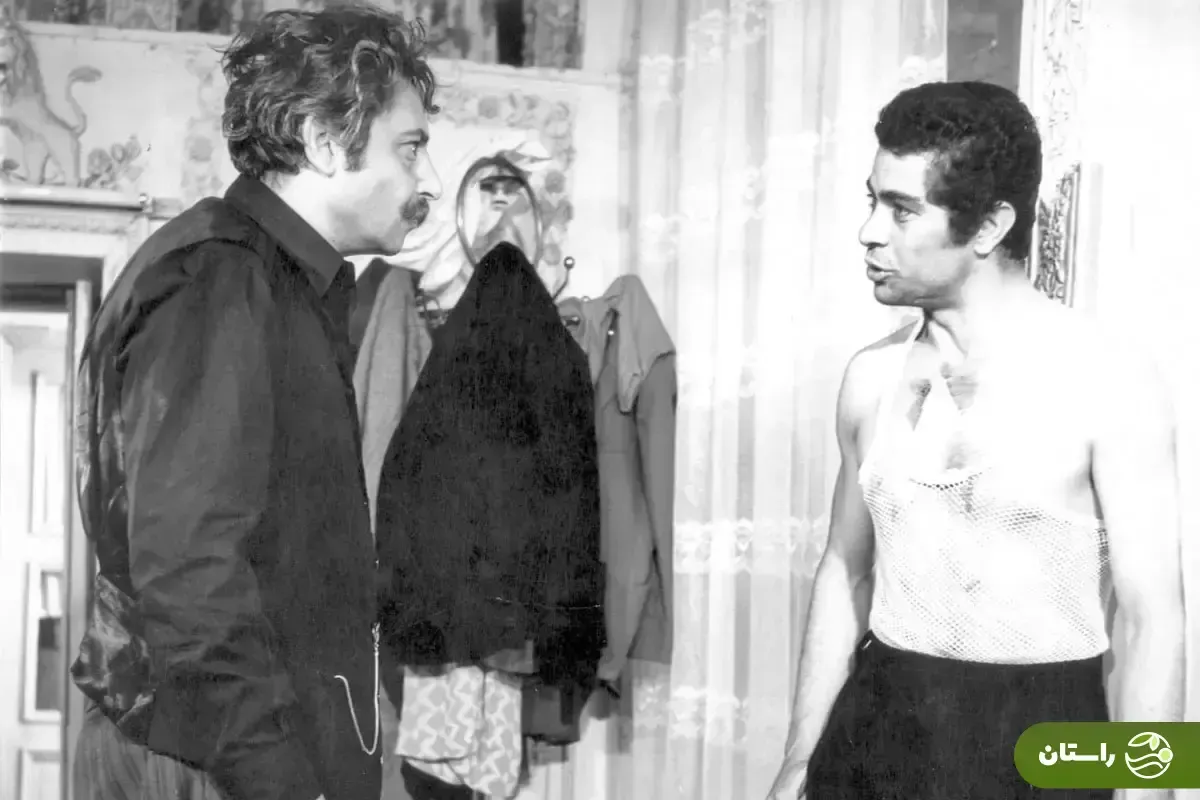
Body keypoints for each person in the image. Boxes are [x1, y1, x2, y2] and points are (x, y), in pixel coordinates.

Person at [767, 81, 1184, 800]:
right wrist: (798, 760)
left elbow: (1156, 622)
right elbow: (845, 570)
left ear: (989, 227)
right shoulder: (870, 378)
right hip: (874, 738)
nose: (869, 231)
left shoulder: (1110, 378)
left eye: (901, 209)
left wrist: (1150, 793)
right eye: (871, 201)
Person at [69, 5, 442, 800]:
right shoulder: (221, 277)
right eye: (410, 148)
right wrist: (282, 781)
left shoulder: (269, 281)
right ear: (324, 139)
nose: (427, 181)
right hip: (210, 766)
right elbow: (192, 575)